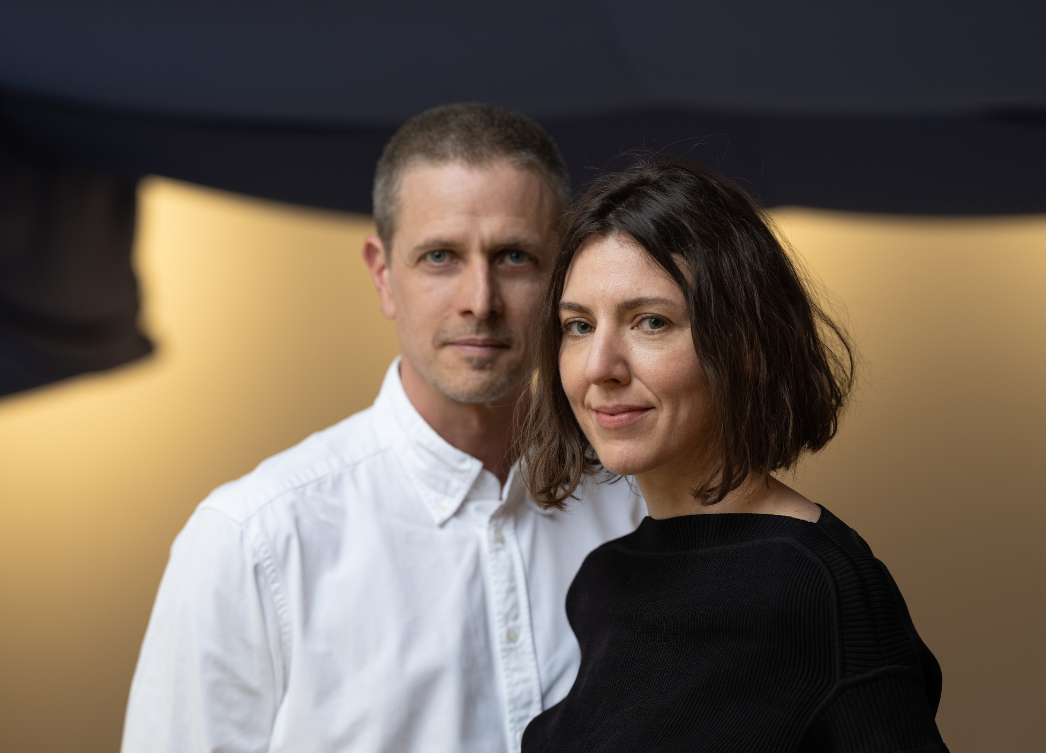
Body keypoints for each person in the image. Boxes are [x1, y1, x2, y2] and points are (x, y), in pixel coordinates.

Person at [121, 103, 646, 753]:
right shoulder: (254, 542)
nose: (480, 301)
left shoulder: (639, 504)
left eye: (514, 256)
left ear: (562, 273)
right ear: (383, 275)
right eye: (440, 257)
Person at [518, 158, 949, 752]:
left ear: (746, 343)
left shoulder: (817, 588)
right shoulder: (604, 581)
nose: (599, 367)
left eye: (650, 322)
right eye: (578, 326)